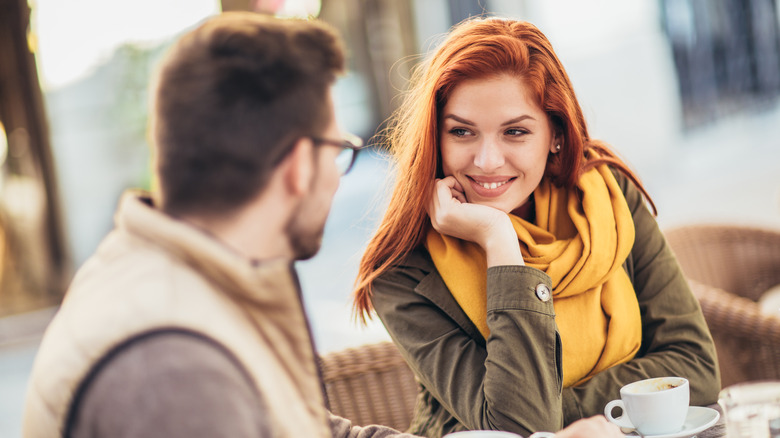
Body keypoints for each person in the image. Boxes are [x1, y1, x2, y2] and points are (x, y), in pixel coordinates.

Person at [21, 12, 620, 438]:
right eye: (340, 150)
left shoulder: (172, 270)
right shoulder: (173, 368)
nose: (340, 177)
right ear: (295, 167)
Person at [353, 17, 721, 438]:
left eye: (515, 132)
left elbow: (695, 366)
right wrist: (498, 240)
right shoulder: (404, 270)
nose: (487, 160)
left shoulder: (606, 195)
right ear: (434, 138)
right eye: (461, 132)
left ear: (556, 135)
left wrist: (561, 408)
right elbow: (519, 428)